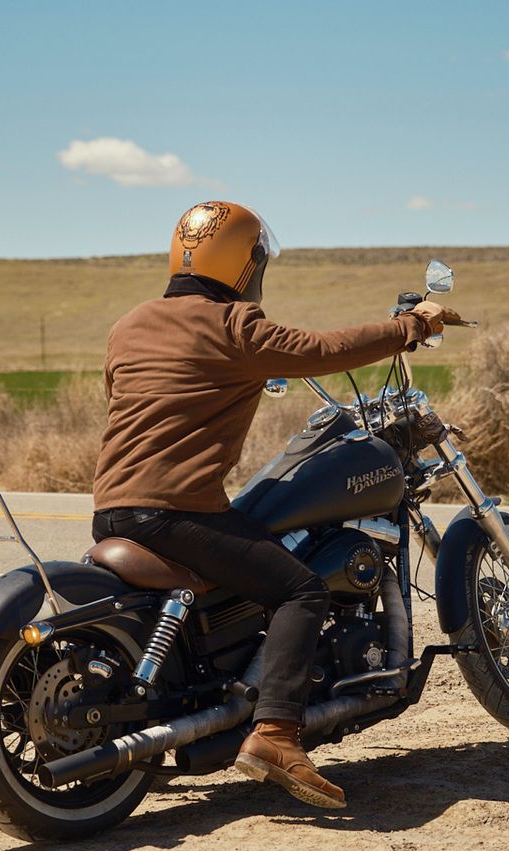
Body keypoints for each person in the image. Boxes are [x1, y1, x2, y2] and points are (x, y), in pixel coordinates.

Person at [90, 199, 459, 809]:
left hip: (115, 510)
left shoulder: (128, 325)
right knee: (301, 589)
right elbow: (322, 350)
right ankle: (277, 736)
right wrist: (409, 327)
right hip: (178, 513)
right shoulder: (233, 327)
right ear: (244, 262)